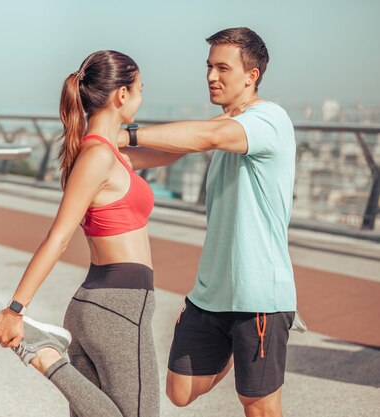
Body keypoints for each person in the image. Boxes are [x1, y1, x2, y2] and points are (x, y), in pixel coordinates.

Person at [0, 50, 181, 417]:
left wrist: (226, 123)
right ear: (122, 95)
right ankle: (44, 357)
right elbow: (57, 238)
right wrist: (15, 309)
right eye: (140, 89)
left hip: (100, 305)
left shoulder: (111, 154)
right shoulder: (98, 158)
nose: (141, 97)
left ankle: (46, 355)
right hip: (118, 307)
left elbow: (174, 151)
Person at [120, 27, 297, 417]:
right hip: (211, 294)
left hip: (259, 297)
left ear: (251, 76)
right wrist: (99, 148)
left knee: (259, 407)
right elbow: (164, 154)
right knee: (179, 391)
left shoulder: (268, 119)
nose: (211, 77)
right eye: (208, 67)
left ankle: (246, 358)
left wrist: (126, 132)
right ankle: (233, 349)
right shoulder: (226, 128)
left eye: (222, 68)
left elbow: (209, 136)